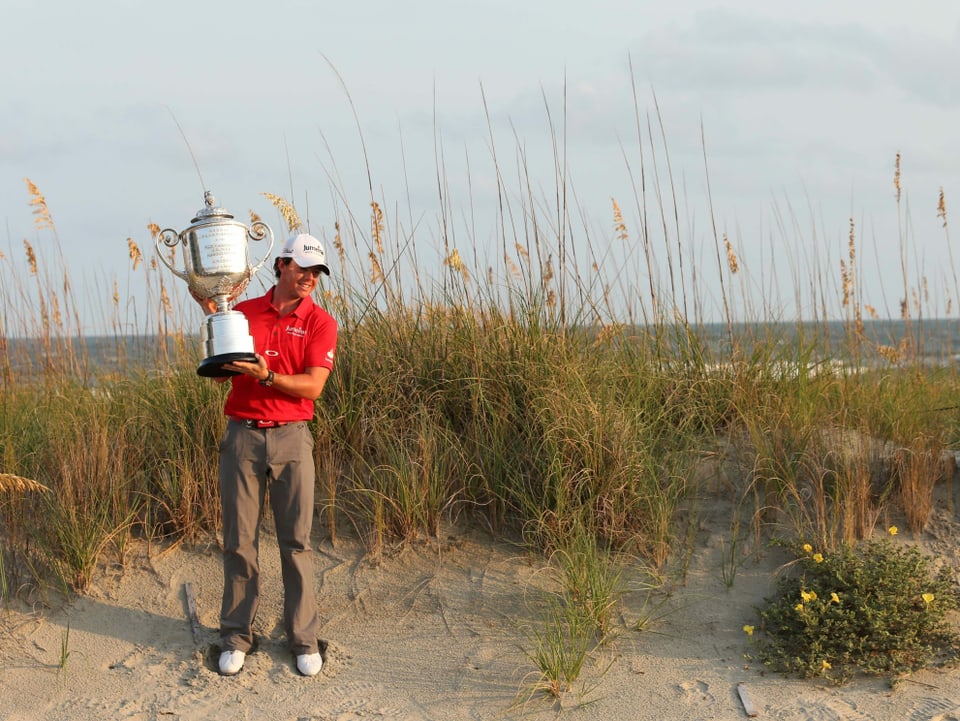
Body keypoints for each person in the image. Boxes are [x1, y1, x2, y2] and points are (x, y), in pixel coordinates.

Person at [197, 232, 338, 678]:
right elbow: (219, 377)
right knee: (239, 542)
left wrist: (267, 376)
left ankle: (303, 639)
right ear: (281, 265)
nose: (310, 278)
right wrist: (216, 319)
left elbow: (313, 386)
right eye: (302, 268)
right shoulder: (243, 312)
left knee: (296, 543)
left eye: (317, 272)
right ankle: (237, 636)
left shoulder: (321, 322)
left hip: (293, 437)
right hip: (242, 435)